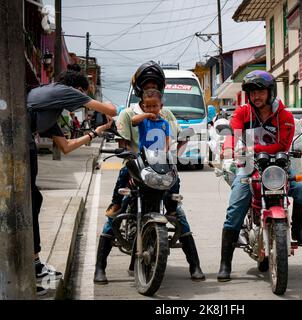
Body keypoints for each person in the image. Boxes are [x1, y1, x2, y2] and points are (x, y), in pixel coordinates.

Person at [93, 60, 205, 285]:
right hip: (136, 170)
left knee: (178, 214)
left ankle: (195, 265)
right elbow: (124, 143)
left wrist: (176, 151)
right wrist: (129, 156)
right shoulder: (128, 114)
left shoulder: (168, 115)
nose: (151, 90)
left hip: (161, 169)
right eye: (147, 86)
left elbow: (175, 140)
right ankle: (99, 267)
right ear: (139, 91)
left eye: (155, 85)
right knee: (116, 214)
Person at [217, 70, 302, 282]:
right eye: (252, 92)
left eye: (260, 91)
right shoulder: (242, 113)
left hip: (279, 165)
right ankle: (225, 263)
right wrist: (230, 150)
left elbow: (282, 145)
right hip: (250, 165)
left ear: (270, 92)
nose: (256, 96)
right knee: (237, 204)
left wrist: (253, 147)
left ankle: (297, 230)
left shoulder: (285, 116)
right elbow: (234, 136)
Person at [27, 69, 116, 295]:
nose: (79, 104)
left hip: (21, 143)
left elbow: (65, 147)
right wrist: (106, 111)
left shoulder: (50, 105)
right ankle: (30, 268)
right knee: (29, 201)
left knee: (32, 200)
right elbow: (112, 110)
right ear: (78, 90)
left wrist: (96, 132)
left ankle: (34, 263)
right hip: (19, 144)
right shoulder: (64, 91)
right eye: (83, 96)